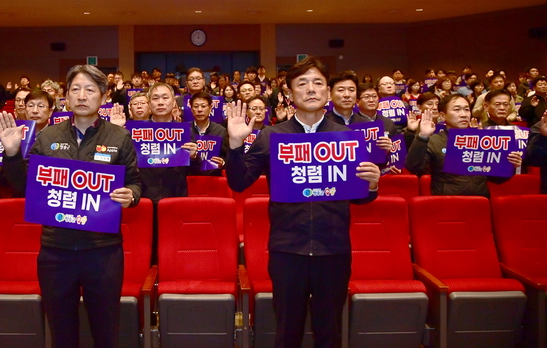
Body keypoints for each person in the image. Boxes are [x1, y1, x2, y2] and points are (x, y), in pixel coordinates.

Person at [225, 56, 379, 348]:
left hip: (333, 249)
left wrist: (372, 185)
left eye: (318, 83)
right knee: (287, 330)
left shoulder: (346, 136)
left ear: (328, 92)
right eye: (302, 83)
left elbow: (361, 197)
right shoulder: (272, 135)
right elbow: (238, 182)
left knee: (330, 330)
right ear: (289, 93)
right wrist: (234, 146)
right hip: (288, 250)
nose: (311, 89)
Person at [0, 64, 140, 348]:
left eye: (90, 89)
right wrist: (12, 155)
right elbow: (25, 187)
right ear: (66, 98)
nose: (82, 95)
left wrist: (131, 195)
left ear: (103, 95)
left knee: (106, 328)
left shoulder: (118, 136)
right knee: (61, 330)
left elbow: (135, 182)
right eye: (75, 89)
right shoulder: (48, 137)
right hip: (56, 251)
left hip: (102, 250)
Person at [405, 94, 522, 198]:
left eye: (466, 110)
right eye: (457, 110)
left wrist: (510, 165)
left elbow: (496, 179)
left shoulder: (482, 140)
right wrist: (423, 136)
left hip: (480, 203)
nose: (463, 114)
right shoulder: (434, 140)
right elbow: (414, 167)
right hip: (447, 203)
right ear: (442, 115)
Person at [189, 91, 227, 175]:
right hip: (190, 177)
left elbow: (227, 156)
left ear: (210, 108)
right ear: (191, 109)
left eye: (203, 106)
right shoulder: (185, 130)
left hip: (214, 178)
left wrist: (223, 163)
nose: (199, 110)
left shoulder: (221, 130)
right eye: (196, 106)